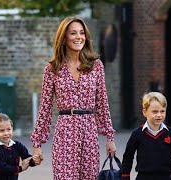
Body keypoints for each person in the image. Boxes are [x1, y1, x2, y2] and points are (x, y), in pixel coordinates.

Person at [30, 17, 116, 180]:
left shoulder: (96, 65)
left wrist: (109, 137)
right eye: (73, 33)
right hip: (65, 132)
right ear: (63, 38)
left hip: (89, 132)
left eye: (82, 33)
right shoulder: (52, 69)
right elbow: (45, 108)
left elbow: (102, 104)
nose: (79, 37)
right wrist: (37, 144)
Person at [121, 92, 171, 180]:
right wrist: (125, 176)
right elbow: (128, 156)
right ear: (144, 112)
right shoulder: (137, 134)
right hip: (143, 177)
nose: (159, 115)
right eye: (154, 112)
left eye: (162, 111)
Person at [0, 113, 36, 180]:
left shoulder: (17, 145)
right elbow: (3, 168)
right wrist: (21, 168)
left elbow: (26, 157)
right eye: (1, 131)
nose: (6, 133)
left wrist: (34, 160)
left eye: (8, 129)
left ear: (12, 129)